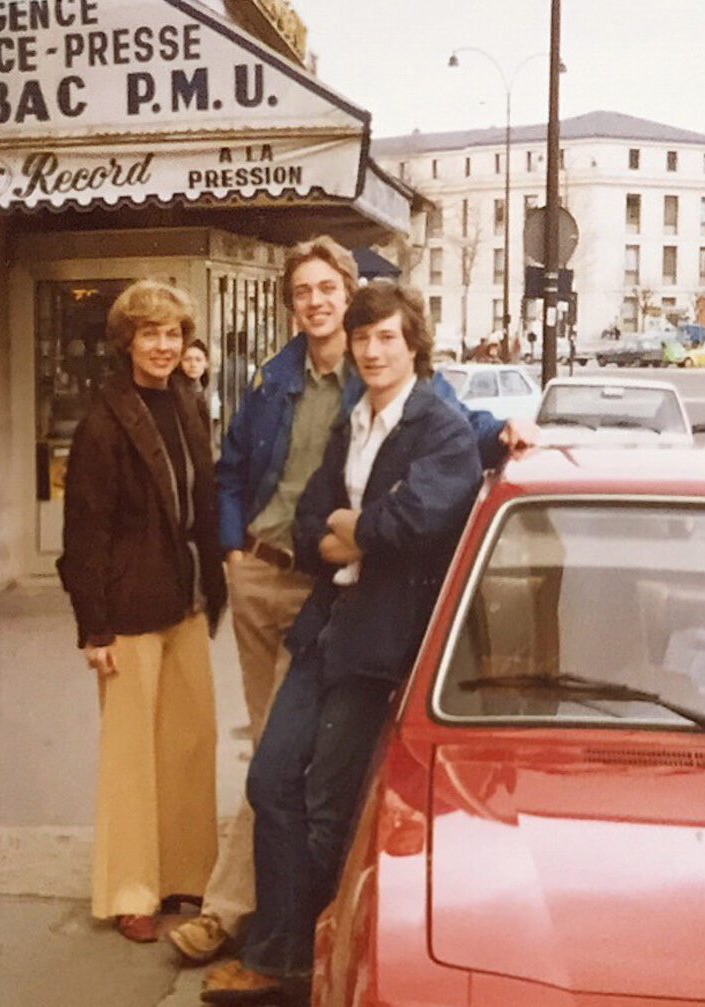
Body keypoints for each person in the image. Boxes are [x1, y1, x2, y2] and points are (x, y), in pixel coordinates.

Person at [167, 237, 539, 967]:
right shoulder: (282, 381)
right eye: (302, 291)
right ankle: (273, 932)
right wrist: (233, 542)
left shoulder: (393, 395)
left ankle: (255, 926)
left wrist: (498, 432)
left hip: (348, 610)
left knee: (302, 780)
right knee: (272, 766)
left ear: (349, 295)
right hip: (272, 578)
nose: (318, 303)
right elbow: (243, 471)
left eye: (327, 290)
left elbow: (447, 441)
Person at [201, 282, 483, 1005]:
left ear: (413, 342)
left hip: (381, 640)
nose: (373, 350)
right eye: (363, 339)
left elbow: (414, 521)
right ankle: (290, 950)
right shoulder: (352, 419)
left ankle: (294, 960)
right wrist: (352, 527)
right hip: (328, 622)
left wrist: (354, 527)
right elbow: (306, 523)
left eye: (387, 337)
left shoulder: (439, 425)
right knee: (270, 781)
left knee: (328, 804)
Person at [57, 279, 227, 944]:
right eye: (150, 333)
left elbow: (200, 497)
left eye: (173, 334)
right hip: (126, 607)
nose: (163, 345)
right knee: (131, 757)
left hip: (182, 596)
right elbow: (84, 533)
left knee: (191, 742)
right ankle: (131, 888)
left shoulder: (185, 400)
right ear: (127, 340)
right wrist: (93, 627)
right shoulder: (103, 421)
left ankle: (185, 871)